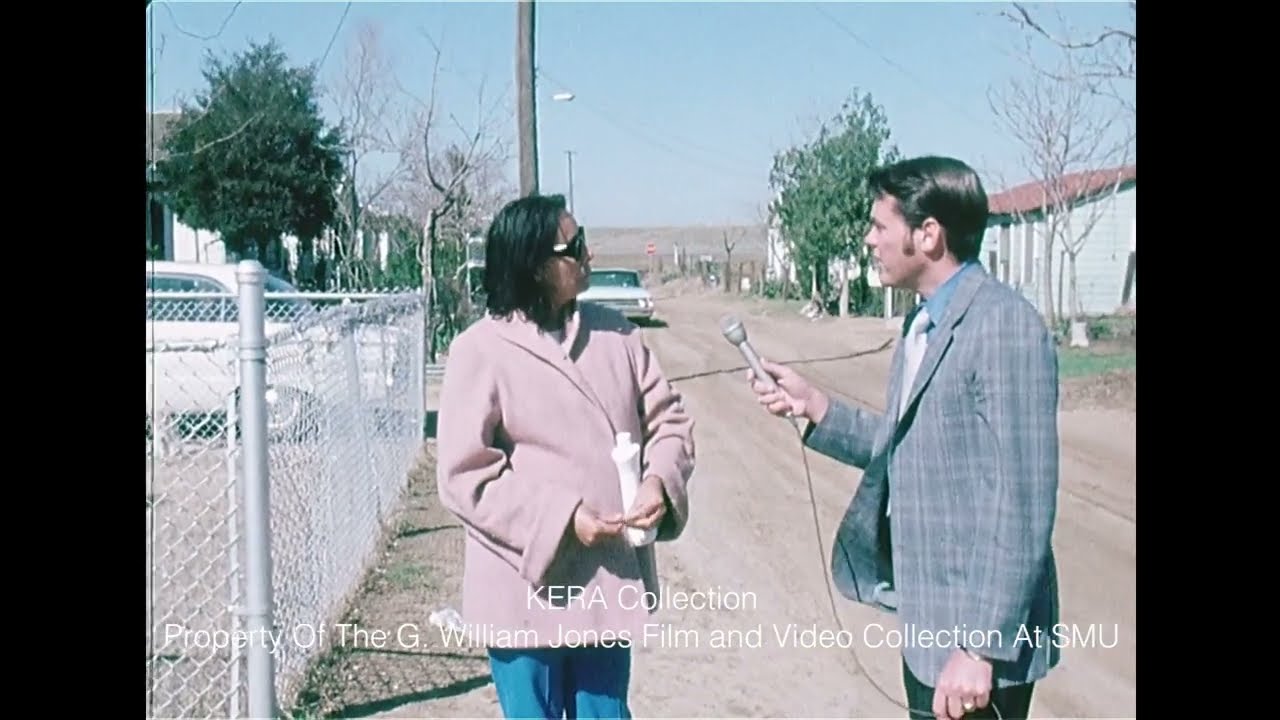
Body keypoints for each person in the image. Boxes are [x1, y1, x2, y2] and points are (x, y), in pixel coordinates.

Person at [747, 156, 1060, 720]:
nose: (869, 240)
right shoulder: (924, 322)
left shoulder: (1001, 326)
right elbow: (913, 447)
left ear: (928, 235)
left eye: (879, 226)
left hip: (977, 644)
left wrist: (980, 648)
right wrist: (816, 407)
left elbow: (1023, 501)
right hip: (932, 631)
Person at [434, 193, 696, 720]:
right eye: (572, 245)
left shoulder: (618, 336)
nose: (587, 253)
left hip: (606, 582)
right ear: (534, 265)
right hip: (522, 589)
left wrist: (659, 484)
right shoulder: (478, 350)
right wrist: (563, 519)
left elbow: (670, 422)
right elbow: (465, 476)